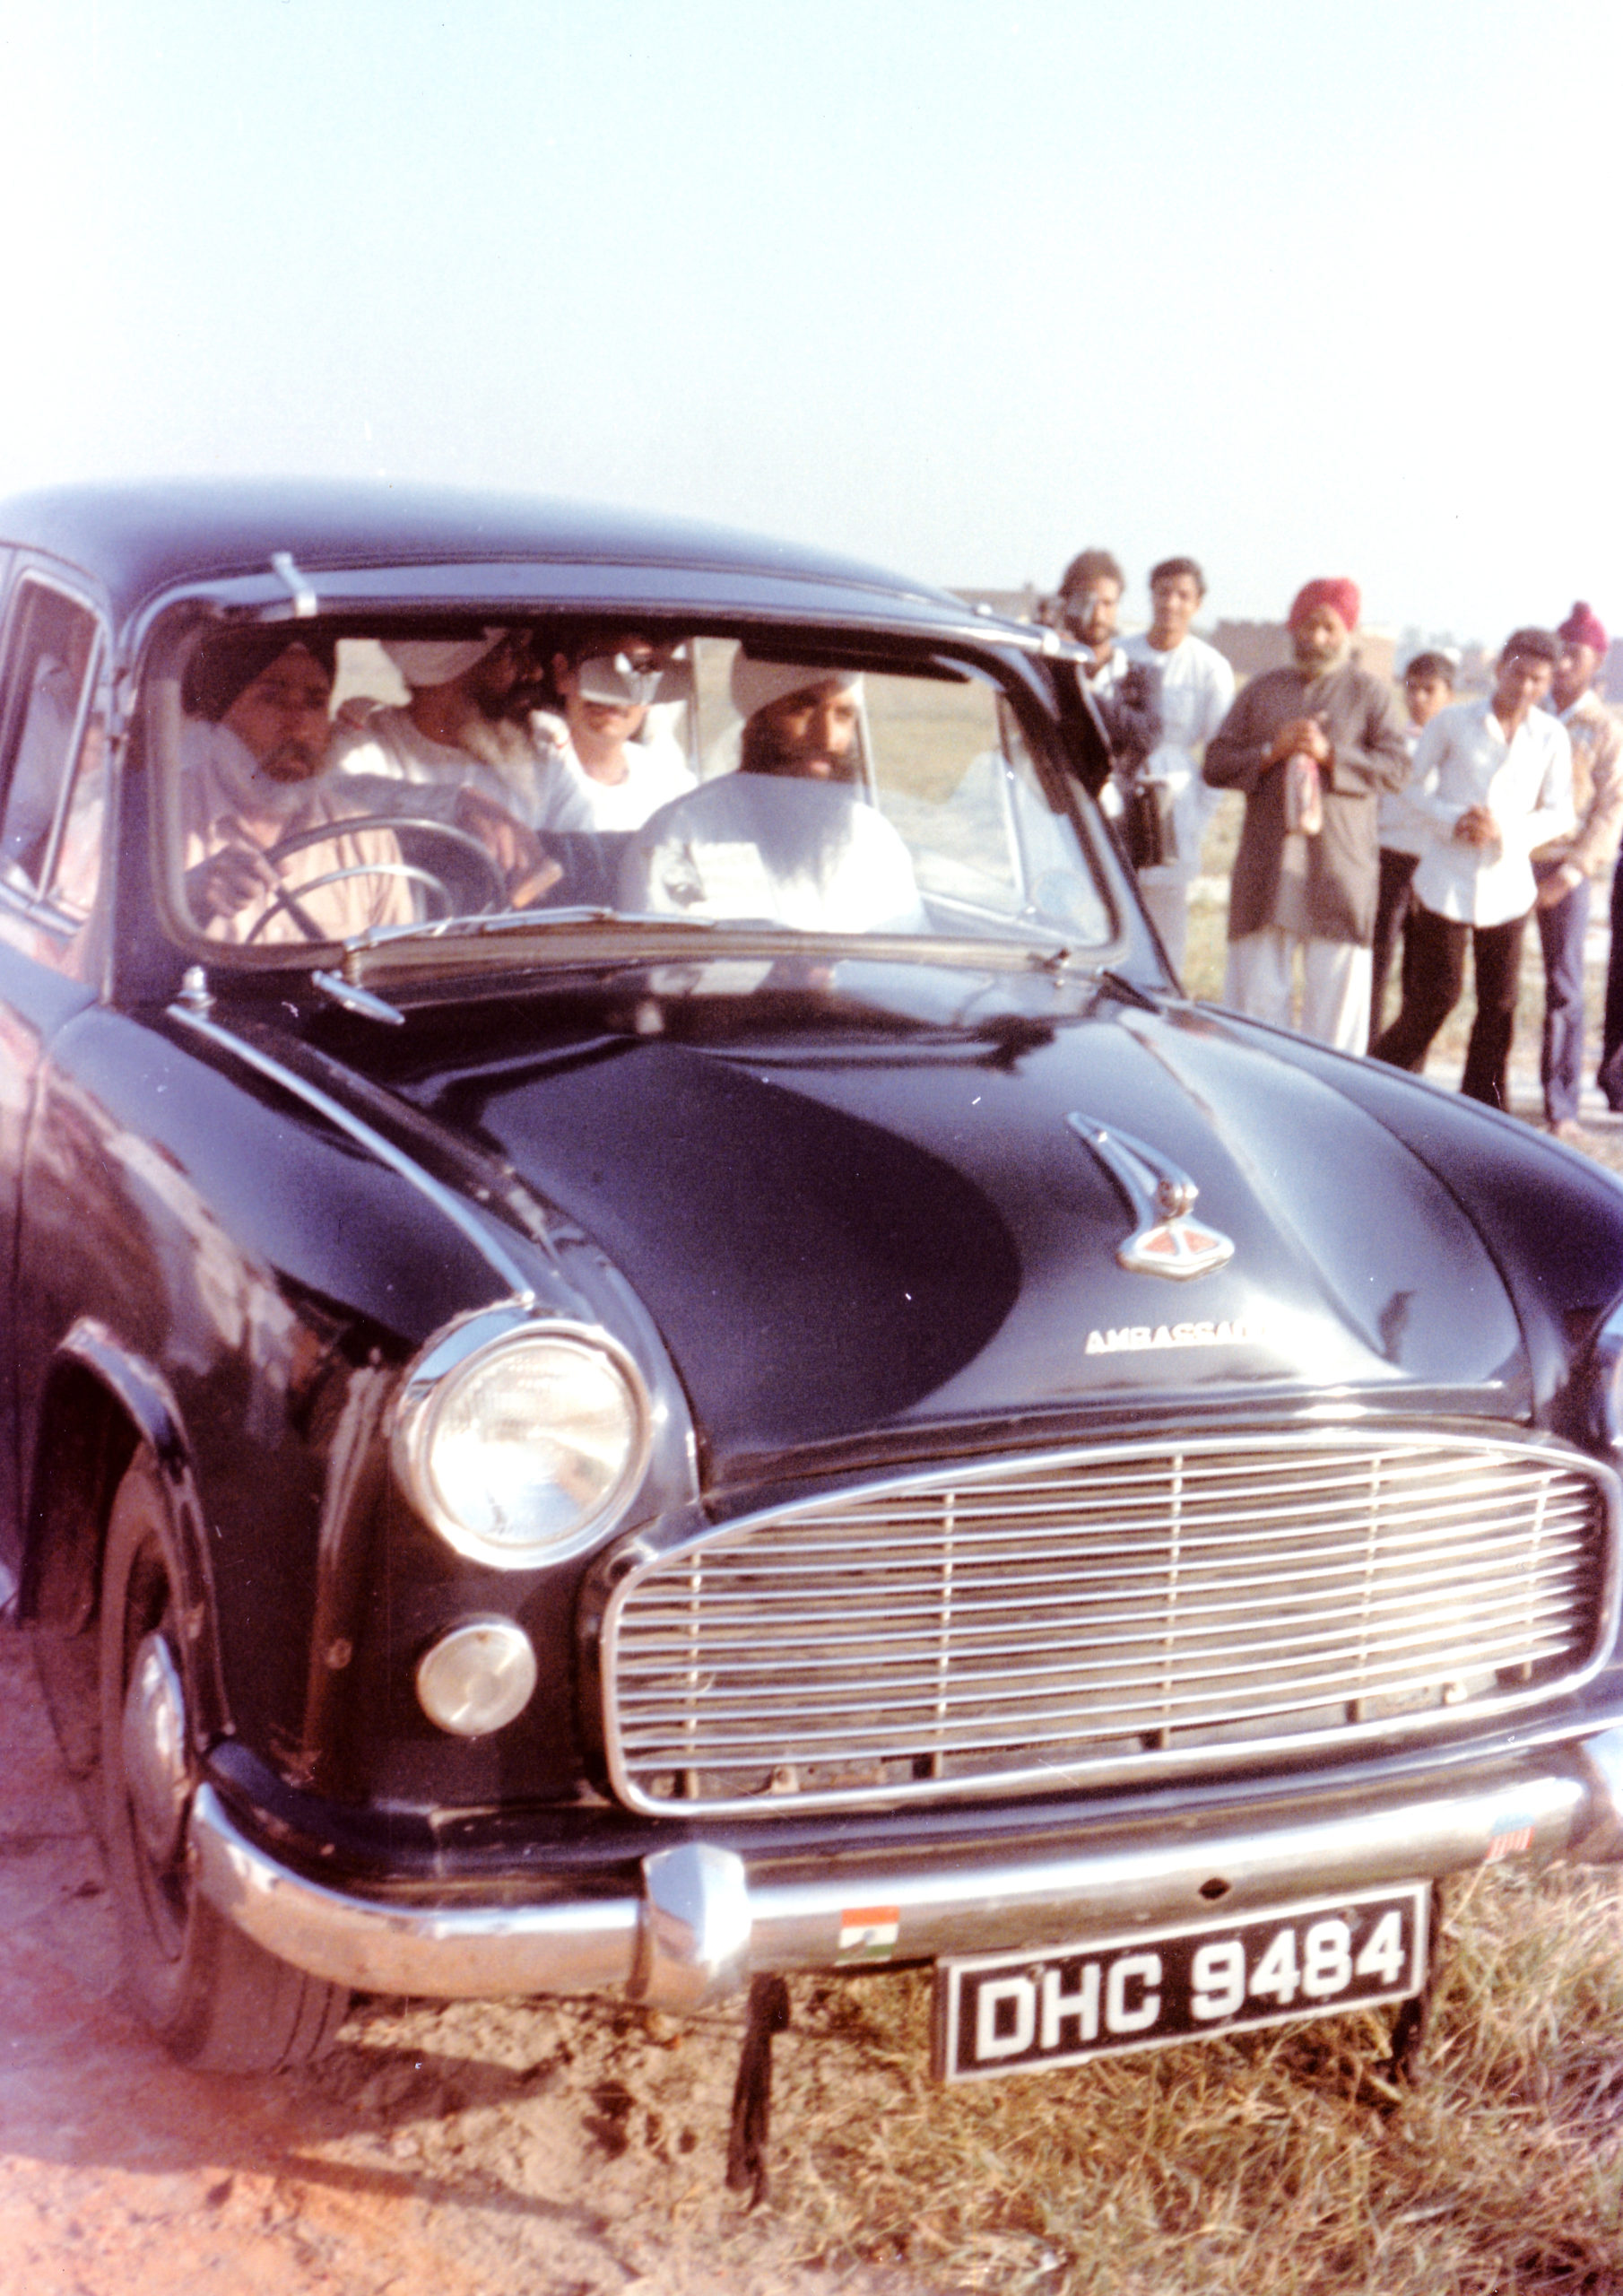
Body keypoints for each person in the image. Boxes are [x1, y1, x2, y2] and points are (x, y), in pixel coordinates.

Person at [1203, 578, 1409, 1051]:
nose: (1317, 639)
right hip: (1268, 867)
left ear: (1348, 632)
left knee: (1336, 1021)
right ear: (1292, 627)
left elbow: (1398, 768)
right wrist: (1268, 753)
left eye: (1329, 628)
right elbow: (1215, 763)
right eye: (1308, 626)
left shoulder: (1369, 695)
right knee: (1256, 1009)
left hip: (1338, 868)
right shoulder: (1263, 690)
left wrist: (1332, 755)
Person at [1371, 630, 1574, 1109]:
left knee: (1499, 1006)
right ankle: (1377, 1089)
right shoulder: (1453, 723)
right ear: (1501, 666)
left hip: (1506, 883)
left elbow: (1561, 812)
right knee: (1435, 997)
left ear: (1548, 682)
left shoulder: (1550, 736)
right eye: (1519, 673)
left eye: (1538, 679)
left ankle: (1483, 1108)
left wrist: (1502, 829)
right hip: (1446, 878)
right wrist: (1454, 819)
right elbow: (1411, 785)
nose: (1526, 687)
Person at [620, 657, 925, 932]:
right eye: (802, 709)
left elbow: (911, 971)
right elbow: (664, 977)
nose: (828, 738)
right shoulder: (683, 833)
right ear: (758, 720)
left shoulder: (873, 837)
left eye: (843, 715)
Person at [178, 631, 417, 945]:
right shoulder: (148, 819)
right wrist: (185, 899)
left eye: (316, 703)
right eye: (272, 699)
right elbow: (96, 969)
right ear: (220, 715)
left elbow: (395, 976)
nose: (300, 725)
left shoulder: (367, 840)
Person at [331, 627, 592, 898]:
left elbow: (586, 858)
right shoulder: (364, 746)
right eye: (512, 652)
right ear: (451, 672)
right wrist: (451, 806)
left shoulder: (542, 743)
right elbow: (326, 801)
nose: (534, 672)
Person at [1118, 557, 1236, 971]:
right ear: (1150, 595)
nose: (1171, 603)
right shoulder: (1121, 653)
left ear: (1197, 604)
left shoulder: (1210, 667)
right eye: (1163, 592)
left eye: (1183, 595)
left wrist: (1196, 818)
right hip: (1120, 789)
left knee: (1165, 927)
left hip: (1176, 802)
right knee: (1114, 902)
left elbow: (1221, 756)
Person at [1532, 604, 1623, 1136]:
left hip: (1567, 869)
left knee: (1564, 988)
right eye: (1558, 652)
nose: (1564, 664)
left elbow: (1611, 809)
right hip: (1513, 862)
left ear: (1596, 662)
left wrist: (1573, 870)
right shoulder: (1529, 710)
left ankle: (1560, 1106)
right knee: (1498, 988)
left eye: (1576, 655)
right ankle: (1484, 1093)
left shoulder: (1602, 729)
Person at [1368, 651, 1455, 1047]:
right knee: (1376, 961)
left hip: (1433, 863)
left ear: (1448, 695)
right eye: (1412, 688)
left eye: (1429, 689)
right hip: (1388, 856)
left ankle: (1406, 1064)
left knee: (1422, 976)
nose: (1418, 697)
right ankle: (1364, 1052)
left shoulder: (1455, 745)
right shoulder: (1391, 738)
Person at [532, 632, 696, 829]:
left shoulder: (674, 787)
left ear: (654, 691)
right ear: (563, 674)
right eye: (599, 670)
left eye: (636, 672)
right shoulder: (525, 774)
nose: (612, 692)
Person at [1049, 550, 1159, 779]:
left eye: (1108, 603)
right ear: (1069, 602)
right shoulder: (1047, 669)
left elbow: (1147, 736)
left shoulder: (1140, 676)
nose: (1099, 614)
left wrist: (1087, 693)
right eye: (1089, 602)